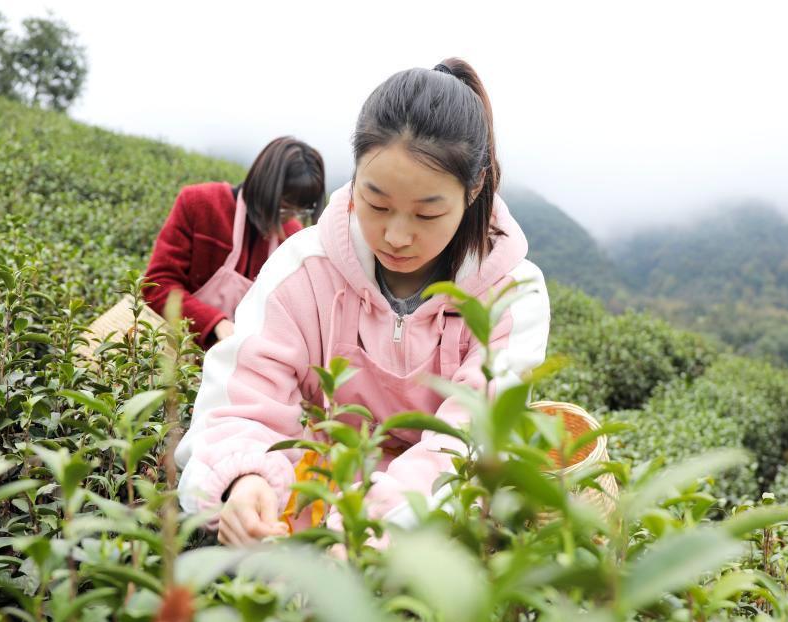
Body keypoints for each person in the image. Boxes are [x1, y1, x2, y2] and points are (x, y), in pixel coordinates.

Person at [175, 58, 550, 549]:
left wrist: (365, 531)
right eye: (376, 204)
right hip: (315, 500)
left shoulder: (510, 294)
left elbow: (469, 440)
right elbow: (244, 395)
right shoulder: (306, 267)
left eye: (427, 212)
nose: (396, 236)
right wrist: (244, 481)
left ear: (474, 188)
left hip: (430, 530)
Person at [143, 136, 326, 351]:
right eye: (285, 207)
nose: (289, 217)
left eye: (302, 210)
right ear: (263, 186)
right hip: (175, 348)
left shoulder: (292, 236)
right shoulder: (199, 204)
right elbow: (158, 284)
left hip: (238, 361)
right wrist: (214, 323)